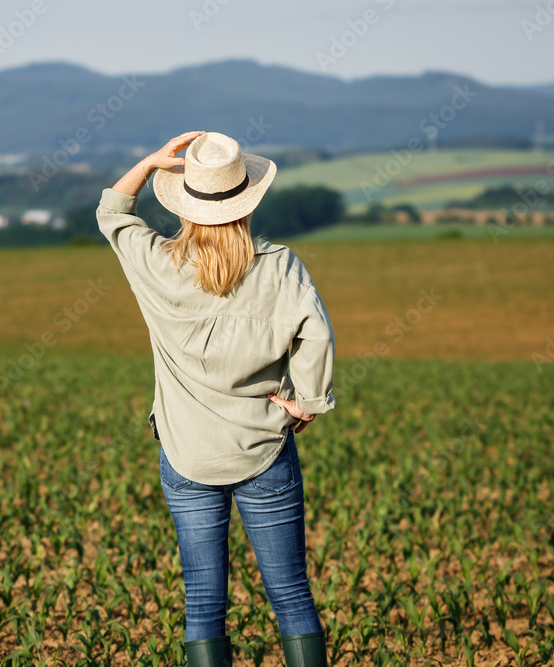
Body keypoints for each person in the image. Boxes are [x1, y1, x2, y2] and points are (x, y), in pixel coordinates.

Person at [96, 131, 335, 667]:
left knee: (203, 604)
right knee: (292, 597)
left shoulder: (156, 263)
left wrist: (148, 162)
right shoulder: (279, 265)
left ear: (186, 205)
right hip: (265, 450)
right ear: (246, 199)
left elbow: (112, 214)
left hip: (186, 456)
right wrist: (309, 400)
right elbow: (316, 335)